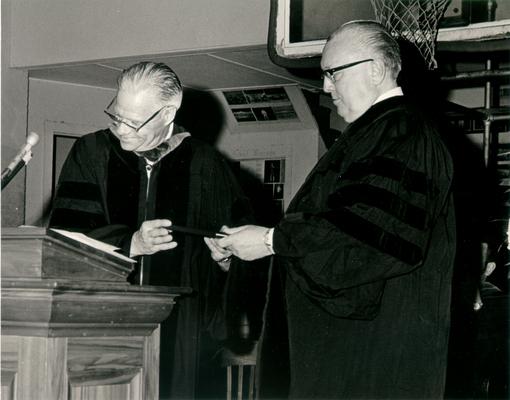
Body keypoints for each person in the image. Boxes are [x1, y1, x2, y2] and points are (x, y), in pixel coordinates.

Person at [205, 21, 456, 399]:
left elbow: (371, 242)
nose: (325, 87)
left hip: (370, 361)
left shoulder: (403, 134)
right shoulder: (373, 134)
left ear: (375, 69)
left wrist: (272, 241)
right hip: (342, 355)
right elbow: (332, 240)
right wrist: (247, 253)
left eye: (333, 73)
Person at [49, 61, 255, 399]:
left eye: (133, 121)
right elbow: (65, 237)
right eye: (116, 114)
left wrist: (226, 260)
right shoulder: (91, 153)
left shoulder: (206, 166)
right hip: (102, 323)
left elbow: (242, 255)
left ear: (167, 112)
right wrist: (130, 243)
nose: (121, 129)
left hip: (183, 330)